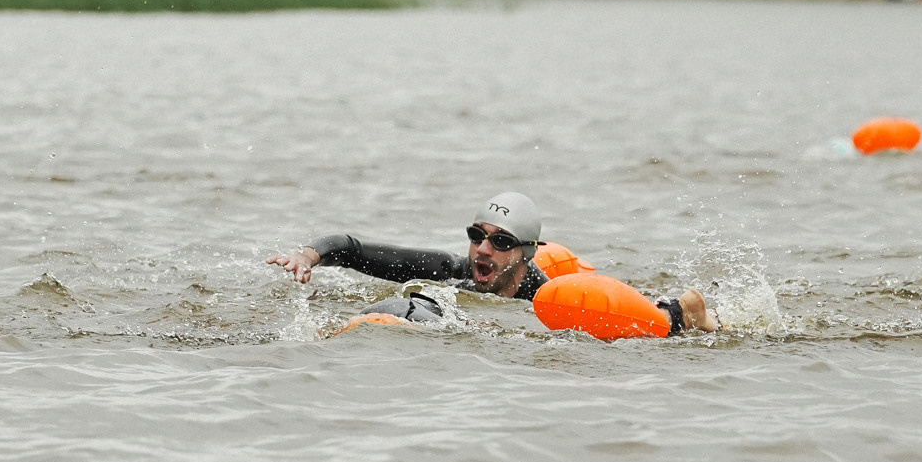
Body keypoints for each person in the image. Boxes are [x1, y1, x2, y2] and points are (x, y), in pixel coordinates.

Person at [266, 190, 720, 333]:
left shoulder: (542, 295)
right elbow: (353, 247)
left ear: (524, 253)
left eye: (500, 242)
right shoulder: (449, 271)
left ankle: (683, 308)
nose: (483, 250)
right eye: (476, 236)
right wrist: (307, 256)